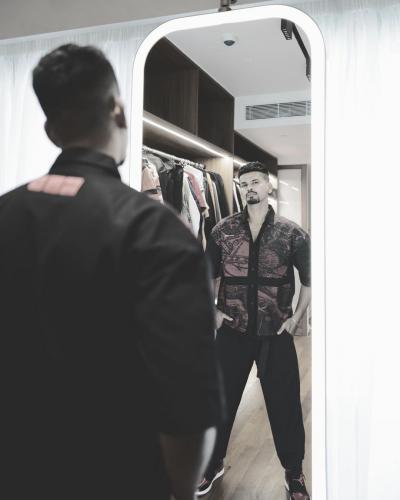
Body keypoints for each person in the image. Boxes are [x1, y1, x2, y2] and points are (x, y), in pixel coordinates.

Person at [0, 44, 221, 500]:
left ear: (50, 129)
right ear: (118, 110)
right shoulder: (156, 230)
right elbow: (186, 403)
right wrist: (180, 491)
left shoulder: (6, 211)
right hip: (118, 477)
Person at [199, 161, 311, 500]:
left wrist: (297, 317)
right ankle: (212, 463)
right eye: (244, 183)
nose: (250, 188)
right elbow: (206, 275)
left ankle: (294, 472)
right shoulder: (222, 231)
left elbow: (310, 279)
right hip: (232, 331)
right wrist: (214, 312)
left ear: (268, 186)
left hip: (275, 333)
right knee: (220, 401)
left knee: (285, 404)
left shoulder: (291, 233)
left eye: (256, 182)